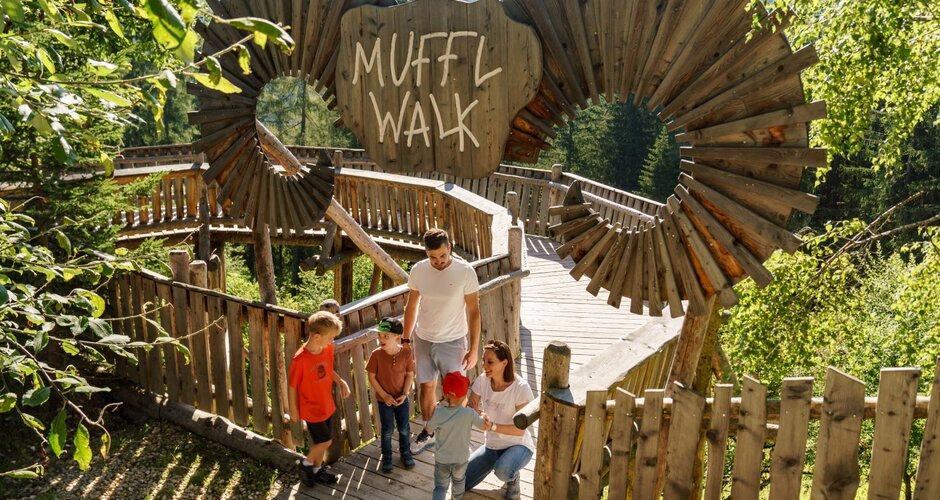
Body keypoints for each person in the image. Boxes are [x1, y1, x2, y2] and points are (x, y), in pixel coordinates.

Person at [403, 228, 481, 454]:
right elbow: (412, 305)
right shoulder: (418, 270)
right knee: (426, 386)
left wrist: (474, 349)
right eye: (432, 257)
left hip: (453, 339)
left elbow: (474, 311)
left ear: (449, 248)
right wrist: (406, 340)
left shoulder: (465, 272)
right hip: (423, 338)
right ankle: (429, 433)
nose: (437, 261)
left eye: (442, 256)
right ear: (426, 253)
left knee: (456, 392)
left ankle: (457, 434)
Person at [288, 311, 351, 487]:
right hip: (311, 408)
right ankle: (306, 464)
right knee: (325, 441)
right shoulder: (299, 359)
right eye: (330, 338)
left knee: (320, 442)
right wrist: (293, 409)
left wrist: (341, 382)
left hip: (327, 405)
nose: (332, 342)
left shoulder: (327, 349)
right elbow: (292, 386)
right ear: (317, 336)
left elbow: (328, 369)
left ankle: (316, 470)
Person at [465, 340, 535, 500]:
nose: (484, 365)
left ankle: (512, 477)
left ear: (505, 363)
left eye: (490, 362)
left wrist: (493, 427)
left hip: (519, 445)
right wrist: (475, 412)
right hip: (491, 446)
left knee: (503, 470)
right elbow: (472, 406)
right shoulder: (482, 380)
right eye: (483, 360)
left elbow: (520, 430)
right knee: (461, 482)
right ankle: (496, 463)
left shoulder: (521, 388)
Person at [427, 372, 492, 500]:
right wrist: (484, 415)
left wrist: (433, 413)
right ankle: (456, 498)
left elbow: (428, 429)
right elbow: (485, 426)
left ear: (445, 394)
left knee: (440, 487)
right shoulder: (469, 414)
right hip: (461, 459)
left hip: (442, 459)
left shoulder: (439, 413)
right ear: (464, 396)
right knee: (459, 481)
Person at [366, 317, 417, 473]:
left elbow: (409, 374)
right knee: (387, 430)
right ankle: (387, 457)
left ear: (397, 337)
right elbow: (371, 377)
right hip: (384, 401)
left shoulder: (406, 353)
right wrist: (385, 395)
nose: (381, 339)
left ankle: (405, 453)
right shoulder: (376, 355)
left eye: (385, 336)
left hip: (402, 399)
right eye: (379, 335)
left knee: (404, 428)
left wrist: (405, 393)